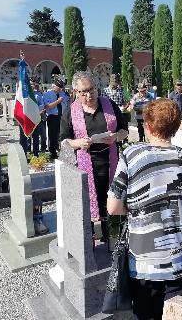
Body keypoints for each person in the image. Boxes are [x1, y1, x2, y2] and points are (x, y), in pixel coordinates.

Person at [107, 98, 182, 320]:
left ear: (148, 125)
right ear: (175, 127)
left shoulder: (131, 155)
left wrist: (141, 207)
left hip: (145, 259)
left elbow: (113, 206)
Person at [59, 71, 128, 241]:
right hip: (84, 164)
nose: (89, 95)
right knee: (86, 201)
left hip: (110, 162)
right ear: (76, 91)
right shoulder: (70, 111)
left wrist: (116, 137)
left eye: (92, 90)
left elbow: (124, 130)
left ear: (97, 88)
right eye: (84, 92)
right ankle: (88, 237)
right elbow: (63, 141)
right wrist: (78, 143)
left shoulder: (109, 105)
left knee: (110, 198)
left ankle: (111, 236)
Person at [43, 78, 69, 159]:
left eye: (62, 87)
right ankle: (52, 152)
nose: (61, 89)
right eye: (59, 87)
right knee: (53, 135)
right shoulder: (48, 94)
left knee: (62, 134)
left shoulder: (63, 94)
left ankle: (61, 150)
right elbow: (47, 106)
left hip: (62, 116)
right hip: (53, 116)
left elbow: (67, 104)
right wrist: (58, 101)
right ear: (54, 86)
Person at [30, 77, 47, 156]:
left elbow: (41, 104)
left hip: (37, 116)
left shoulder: (38, 94)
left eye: (34, 84)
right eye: (31, 84)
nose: (33, 86)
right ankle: (28, 150)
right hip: (28, 117)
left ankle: (36, 153)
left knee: (36, 136)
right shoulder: (26, 94)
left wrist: (38, 111)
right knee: (27, 135)